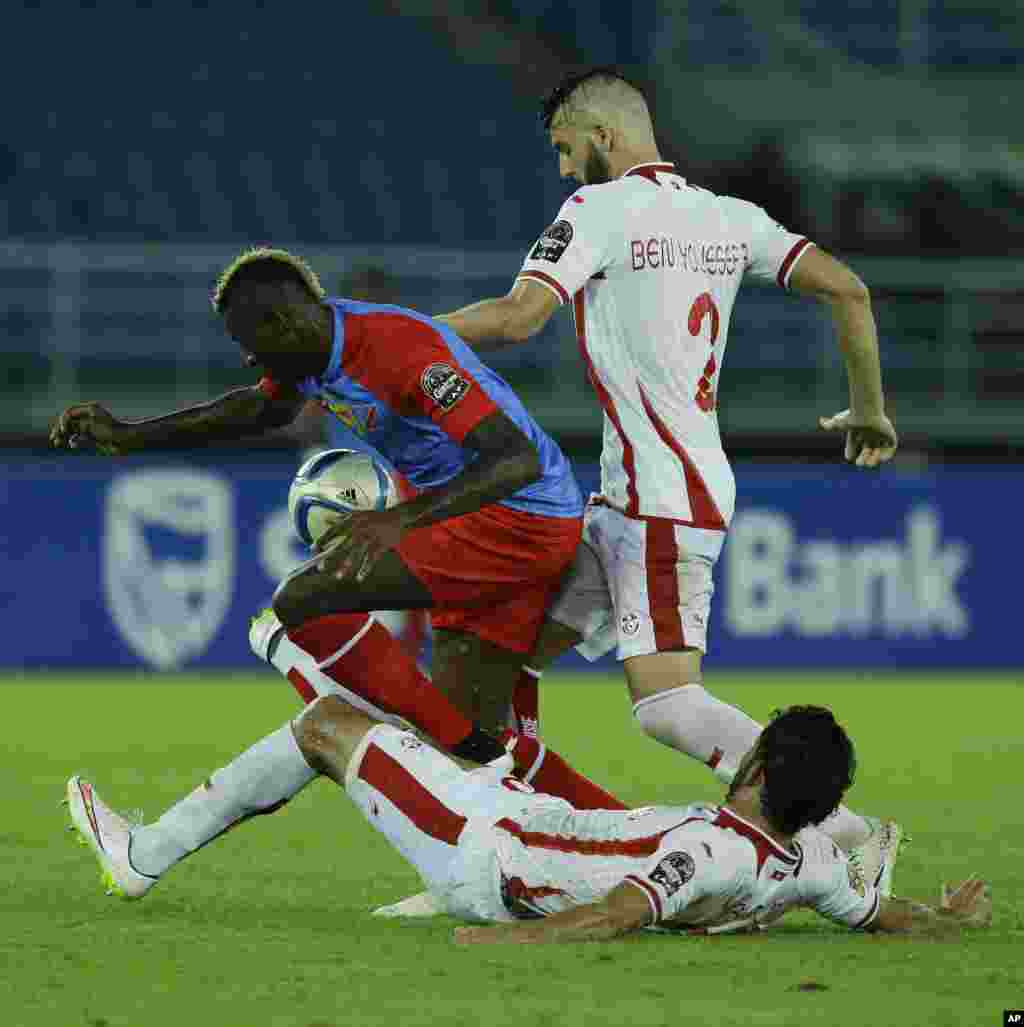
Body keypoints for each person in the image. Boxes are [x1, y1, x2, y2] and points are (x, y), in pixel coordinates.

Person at [433, 67, 901, 865]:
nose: (563, 168)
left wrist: (401, 332)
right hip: (640, 495)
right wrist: (870, 408)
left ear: (602, 136)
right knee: (501, 646)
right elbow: (849, 291)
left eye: (565, 148)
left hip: (660, 497)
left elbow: (518, 317)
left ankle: (852, 838)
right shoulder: (729, 218)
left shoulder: (598, 210)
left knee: (668, 704)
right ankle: (506, 838)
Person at [49, 247, 586, 773]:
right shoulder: (314, 351)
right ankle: (605, 821)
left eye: (249, 344)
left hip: (519, 520)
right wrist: (131, 436)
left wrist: (397, 519)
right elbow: (259, 409)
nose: (249, 360)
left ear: (283, 323)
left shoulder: (397, 350)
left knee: (304, 598)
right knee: (476, 764)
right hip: (491, 519)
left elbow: (515, 460)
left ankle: (388, 728)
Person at [64, 699, 991, 942]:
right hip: (520, 819)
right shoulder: (811, 863)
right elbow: (883, 913)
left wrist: (500, 941)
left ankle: (142, 855)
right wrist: (950, 918)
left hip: (481, 847)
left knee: (324, 725)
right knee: (403, 729)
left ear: (752, 766)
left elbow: (617, 913)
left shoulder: (706, 849)